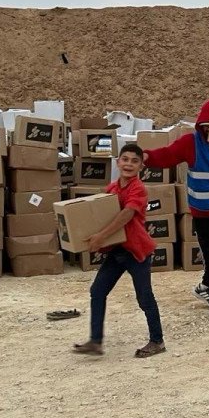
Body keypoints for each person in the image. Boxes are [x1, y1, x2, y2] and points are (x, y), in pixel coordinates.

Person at [143, 99, 209, 319]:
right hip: (202, 210)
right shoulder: (190, 143)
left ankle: (204, 285)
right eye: (206, 126)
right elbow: (167, 155)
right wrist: (146, 157)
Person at [71, 144, 166, 358]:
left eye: (134, 161)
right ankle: (95, 341)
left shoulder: (138, 188)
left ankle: (157, 341)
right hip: (117, 250)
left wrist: (101, 236)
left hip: (137, 251)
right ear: (117, 162)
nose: (129, 164)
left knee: (144, 297)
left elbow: (127, 214)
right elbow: (100, 215)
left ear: (141, 166)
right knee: (97, 291)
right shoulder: (112, 189)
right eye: (125, 159)